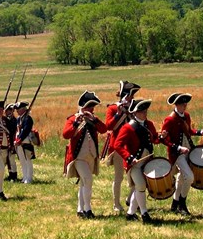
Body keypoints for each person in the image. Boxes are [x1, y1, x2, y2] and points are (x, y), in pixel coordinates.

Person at [160, 92, 203, 216]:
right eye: (183, 104)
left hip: (188, 149)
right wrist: (178, 148)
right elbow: (164, 139)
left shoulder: (186, 116)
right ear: (176, 105)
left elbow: (189, 131)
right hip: (176, 154)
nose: (185, 106)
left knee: (181, 178)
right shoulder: (170, 119)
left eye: (185, 104)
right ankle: (182, 204)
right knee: (189, 177)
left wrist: (202, 131)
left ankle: (174, 203)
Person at [114, 98, 161, 223]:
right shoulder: (127, 128)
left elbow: (154, 139)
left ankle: (130, 213)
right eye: (141, 111)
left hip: (147, 162)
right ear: (135, 113)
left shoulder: (149, 124)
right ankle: (145, 213)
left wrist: (161, 137)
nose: (145, 113)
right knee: (141, 185)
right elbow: (117, 145)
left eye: (145, 111)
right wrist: (129, 157)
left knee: (138, 188)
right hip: (134, 164)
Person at [63, 91, 108, 218]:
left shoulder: (93, 119)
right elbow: (66, 134)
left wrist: (94, 119)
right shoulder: (73, 119)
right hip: (78, 157)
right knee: (88, 180)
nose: (91, 109)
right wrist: (77, 122)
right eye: (89, 107)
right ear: (82, 107)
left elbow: (103, 129)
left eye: (92, 107)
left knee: (84, 182)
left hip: (91, 156)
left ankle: (80, 209)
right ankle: (88, 210)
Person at [105, 81, 140, 213]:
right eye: (130, 96)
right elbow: (109, 126)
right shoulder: (113, 108)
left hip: (132, 146)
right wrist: (121, 112)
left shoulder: (134, 108)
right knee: (118, 177)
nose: (132, 98)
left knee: (137, 174)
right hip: (118, 147)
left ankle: (130, 198)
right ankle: (116, 204)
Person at [14, 101, 35, 183]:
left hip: (26, 141)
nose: (17, 111)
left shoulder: (28, 118)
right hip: (19, 141)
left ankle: (29, 178)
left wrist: (20, 139)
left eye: (18, 109)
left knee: (28, 160)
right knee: (22, 160)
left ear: (23, 110)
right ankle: (24, 177)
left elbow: (26, 130)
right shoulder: (19, 118)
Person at [3, 103, 19, 182]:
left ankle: (14, 175)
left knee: (11, 159)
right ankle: (10, 174)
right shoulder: (4, 120)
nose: (9, 112)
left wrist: (12, 144)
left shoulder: (14, 121)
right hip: (5, 142)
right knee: (7, 159)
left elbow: (13, 133)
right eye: (7, 111)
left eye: (10, 110)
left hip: (12, 142)